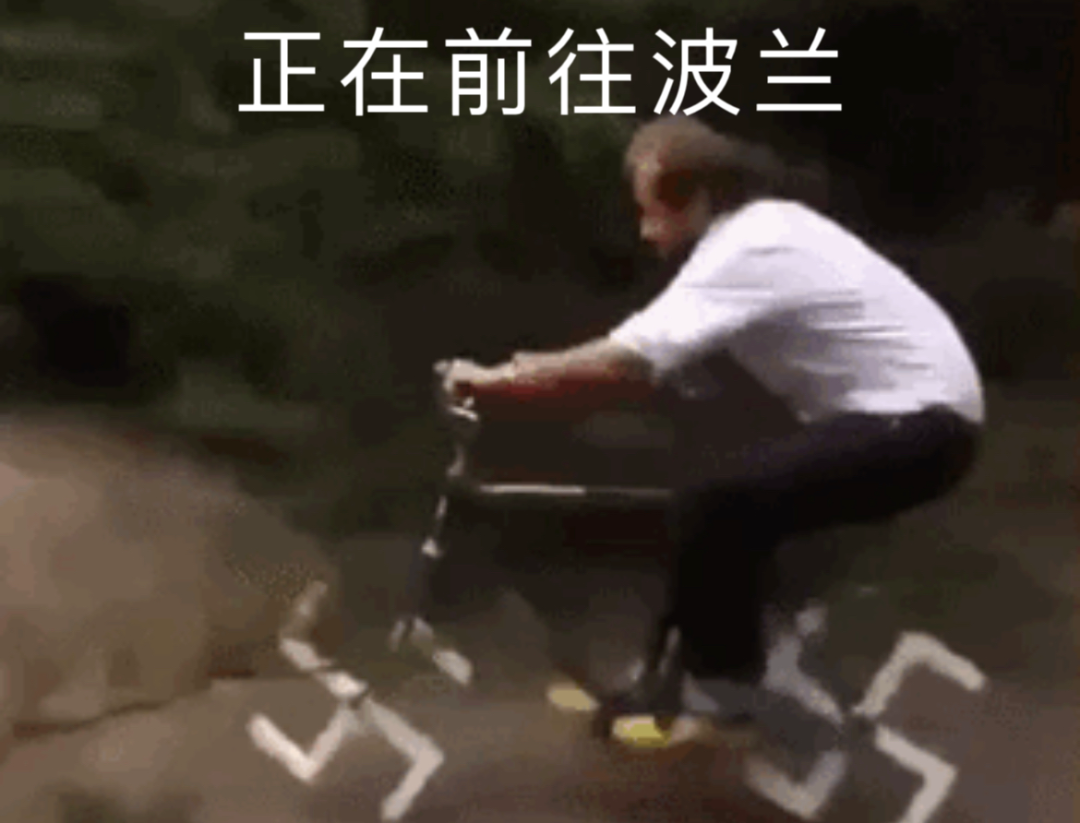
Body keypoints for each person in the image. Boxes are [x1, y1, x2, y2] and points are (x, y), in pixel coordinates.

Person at [441, 114, 985, 736]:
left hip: (916, 427)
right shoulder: (767, 232)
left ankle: (719, 686)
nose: (645, 230)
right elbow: (656, 376)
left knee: (715, 502)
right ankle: (674, 678)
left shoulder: (748, 249)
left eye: (653, 211)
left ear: (700, 197)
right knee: (703, 502)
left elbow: (628, 361)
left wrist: (502, 377)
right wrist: (541, 392)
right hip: (906, 421)